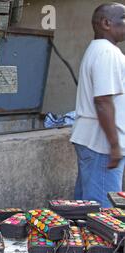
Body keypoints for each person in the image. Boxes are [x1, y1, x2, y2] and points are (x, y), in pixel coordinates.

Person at [70, 2, 125, 208]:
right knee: (103, 214)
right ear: (106, 23)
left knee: (85, 208)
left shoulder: (100, 50)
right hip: (101, 143)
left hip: (95, 141)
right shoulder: (107, 53)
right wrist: (114, 146)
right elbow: (103, 101)